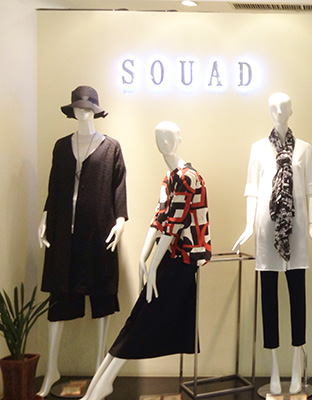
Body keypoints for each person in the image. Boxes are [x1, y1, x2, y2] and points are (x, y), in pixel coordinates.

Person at [80, 121, 211, 400]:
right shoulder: (170, 177)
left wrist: (152, 265)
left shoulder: (188, 177)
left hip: (184, 259)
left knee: (144, 320)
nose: (163, 142)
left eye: (169, 137)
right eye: (159, 137)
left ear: (179, 138)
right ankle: (100, 384)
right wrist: (144, 255)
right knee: (138, 318)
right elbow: (160, 216)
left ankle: (103, 385)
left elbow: (175, 223)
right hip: (170, 256)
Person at [233, 92, 312, 395]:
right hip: (266, 231)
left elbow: (311, 189)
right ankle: (274, 368)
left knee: (298, 297)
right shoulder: (258, 148)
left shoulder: (305, 149)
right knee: (268, 299)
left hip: (296, 231)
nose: (278, 111)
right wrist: (248, 226)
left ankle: (297, 366)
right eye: (273, 107)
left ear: (291, 110)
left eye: (283, 106)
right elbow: (252, 190)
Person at [38, 86, 127, 397]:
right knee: (59, 296)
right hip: (63, 232)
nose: (83, 112)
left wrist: (121, 220)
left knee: (101, 295)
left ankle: (100, 372)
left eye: (88, 108)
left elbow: (119, 187)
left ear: (96, 111)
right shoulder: (62, 146)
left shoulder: (111, 147)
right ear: (72, 110)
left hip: (99, 232)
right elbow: (53, 186)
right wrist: (45, 217)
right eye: (78, 107)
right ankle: (51, 369)